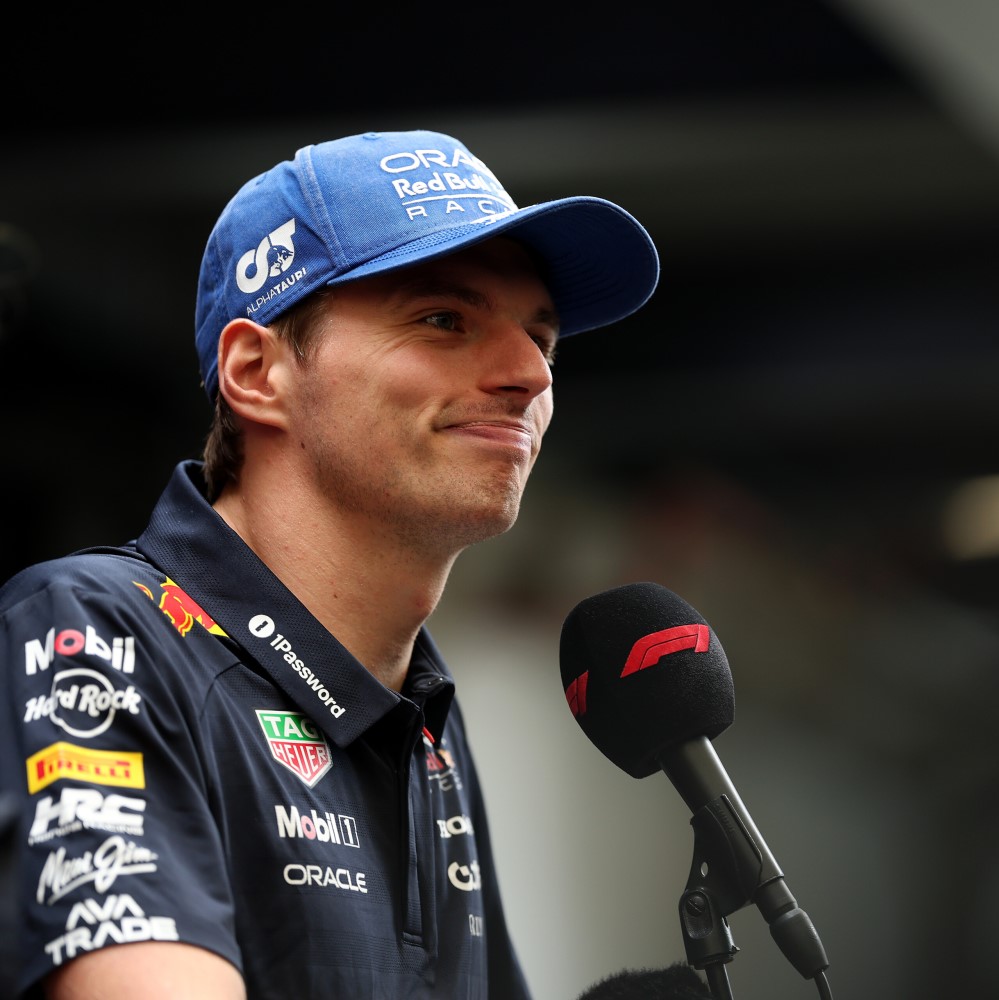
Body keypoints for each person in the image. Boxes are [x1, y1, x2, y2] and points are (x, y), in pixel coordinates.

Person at [1, 128, 662, 999]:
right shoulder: (96, 628)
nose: (527, 374)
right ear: (256, 371)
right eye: (443, 320)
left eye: (542, 337)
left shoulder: (420, 714)